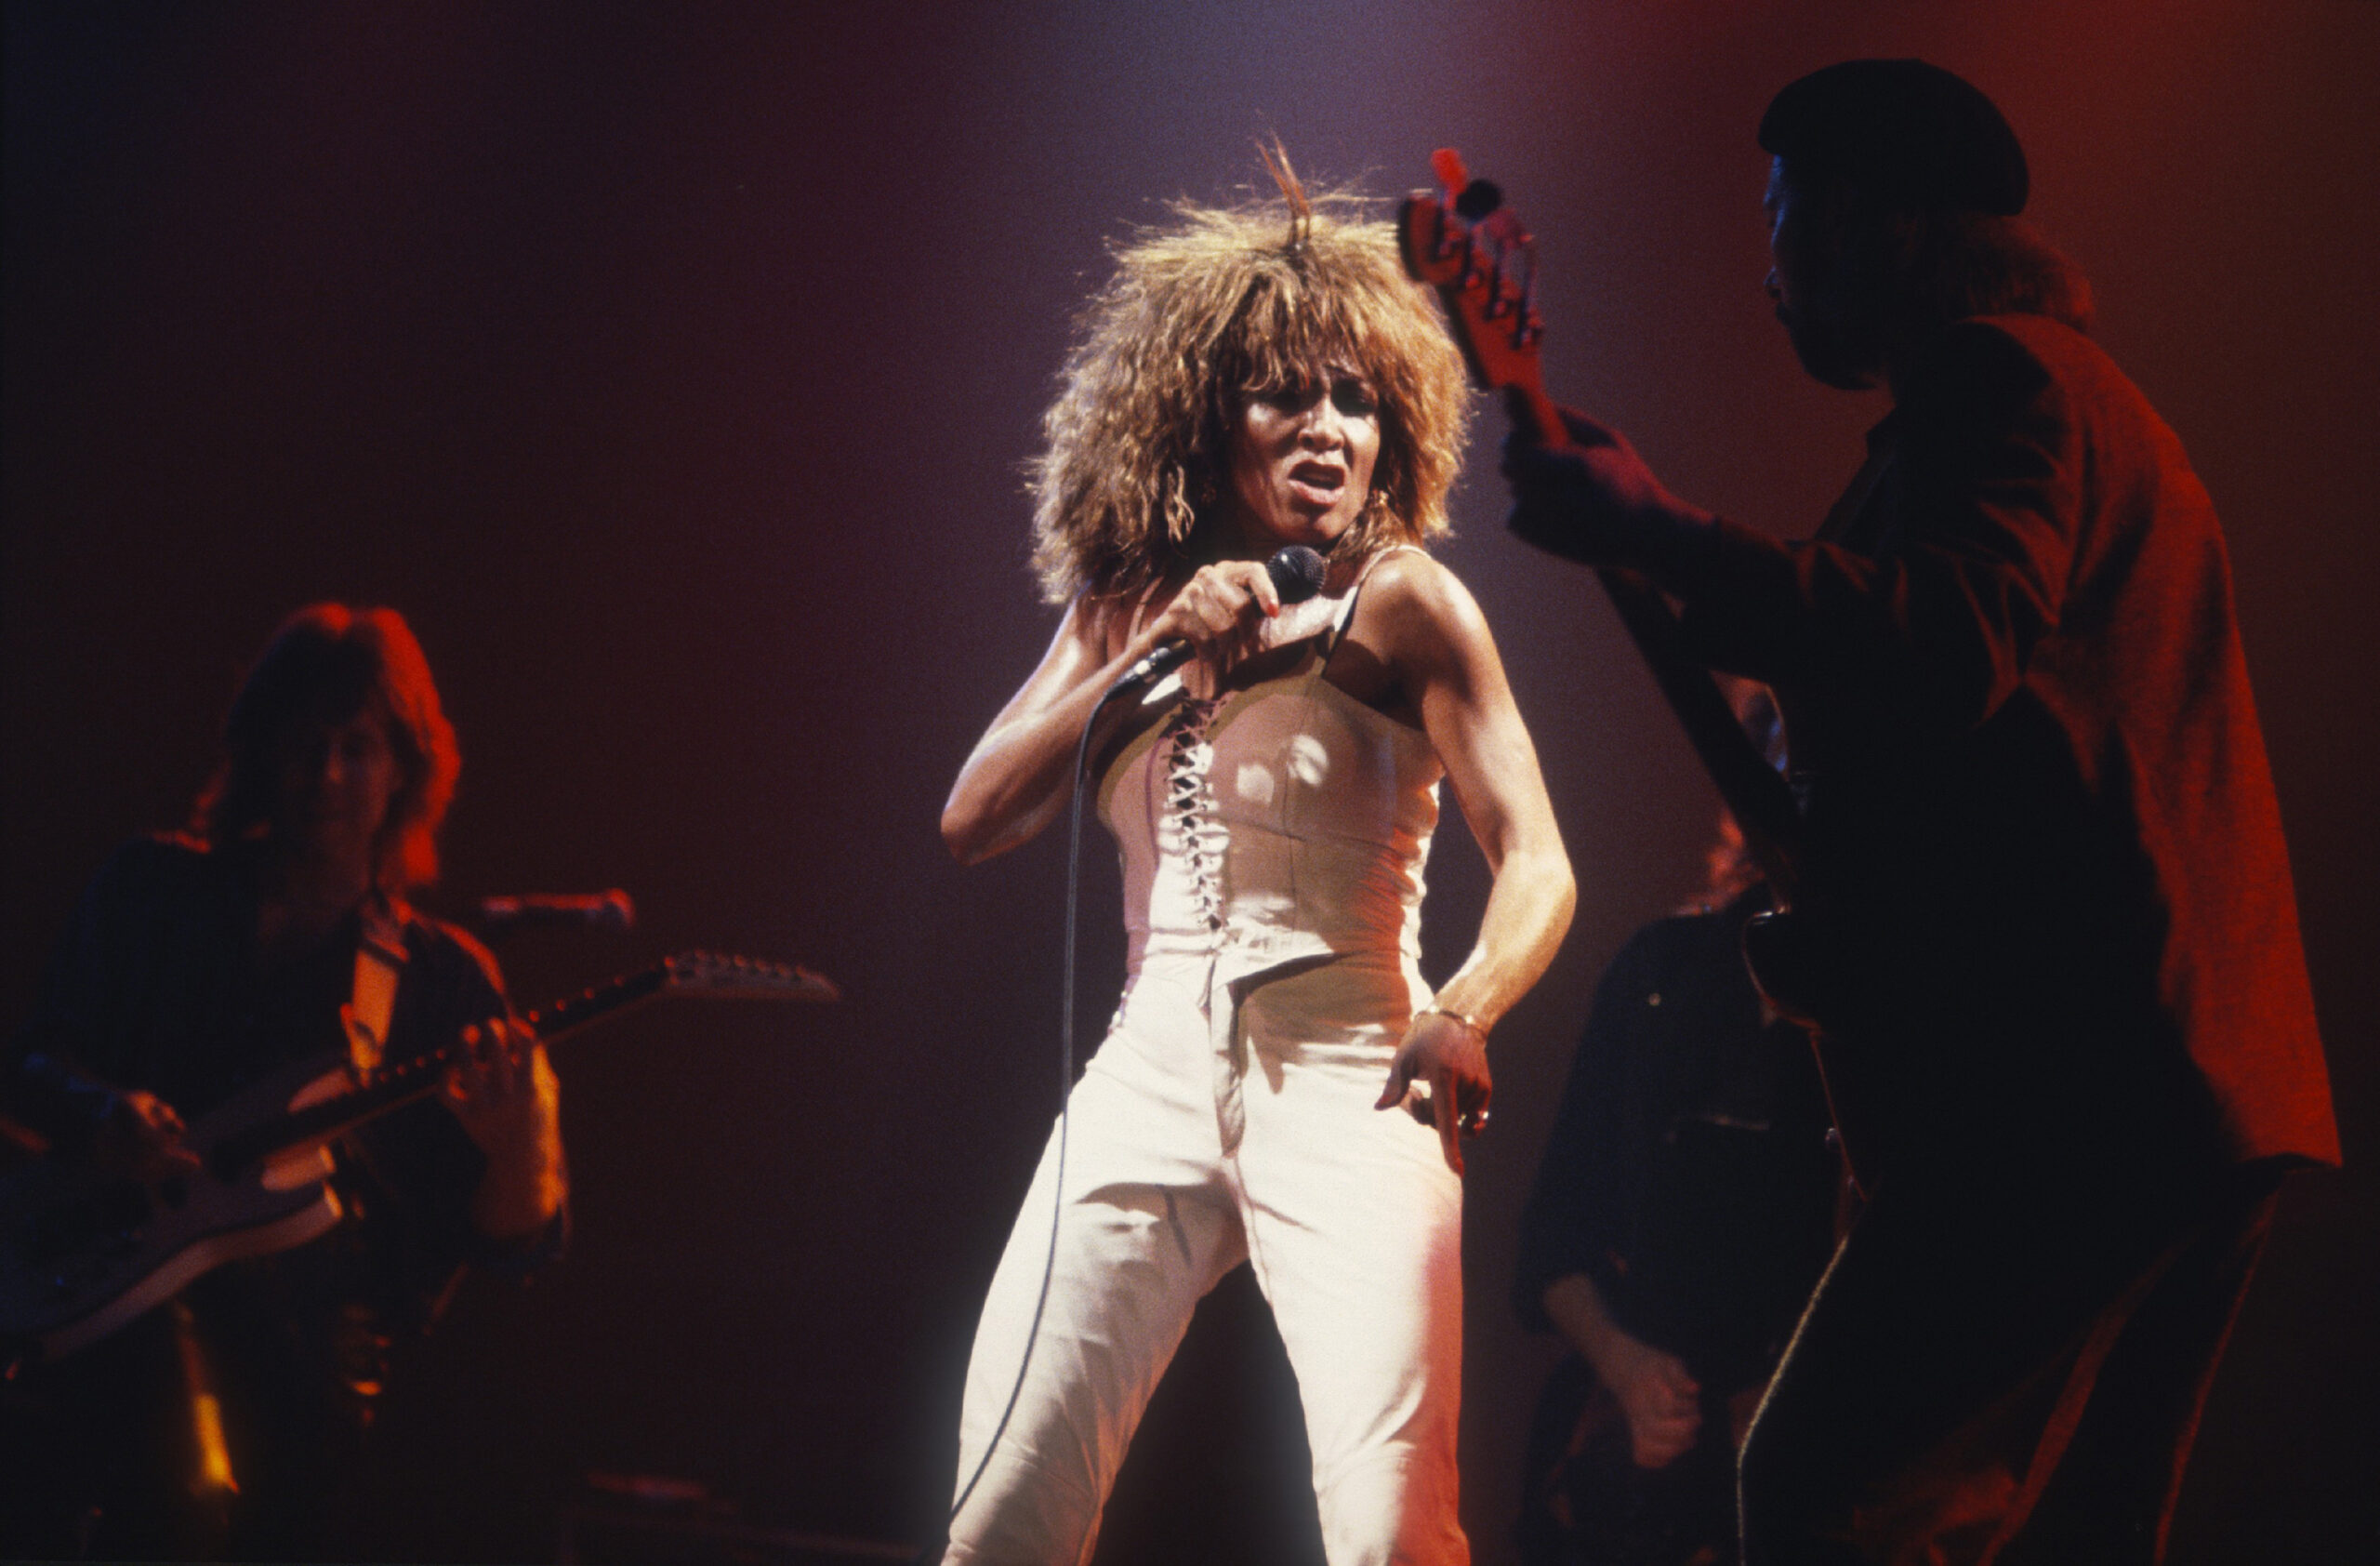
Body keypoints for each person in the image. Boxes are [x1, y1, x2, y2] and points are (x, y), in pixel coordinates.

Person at [1501, 59, 2339, 1564]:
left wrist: (1668, 532)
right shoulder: (2064, 407)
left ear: (1883, 226)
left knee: (1824, 1483)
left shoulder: (2002, 377)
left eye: (1785, 219)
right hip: (2183, 1084)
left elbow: (1949, 637)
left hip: (2079, 1085)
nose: (1765, 271)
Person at [937, 162, 1577, 1566]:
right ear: (1201, 418)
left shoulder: (1405, 599)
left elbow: (1539, 862)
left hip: (1356, 1071)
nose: (1328, 430)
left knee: (1390, 1532)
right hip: (1147, 1069)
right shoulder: (1123, 612)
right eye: (1286, 394)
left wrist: (1460, 1010)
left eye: (1356, 400)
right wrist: (1160, 642)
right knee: (1001, 1519)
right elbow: (974, 817)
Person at [1, 603, 568, 1560]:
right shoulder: (148, 891)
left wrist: (526, 1141)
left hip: (306, 1409)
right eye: (305, 743)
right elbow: (31, 1064)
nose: (328, 775)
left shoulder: (442, 983)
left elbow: (515, 1244)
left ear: (404, 770)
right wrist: (103, 1115)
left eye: (358, 747)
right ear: (260, 749)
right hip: (99, 1344)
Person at [1513, 708, 1838, 1566]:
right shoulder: (1661, 971)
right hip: (1622, 1477)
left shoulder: (1893, 1019)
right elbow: (1553, 1239)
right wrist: (1623, 1367)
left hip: (1797, 1481)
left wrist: (1788, 1406)